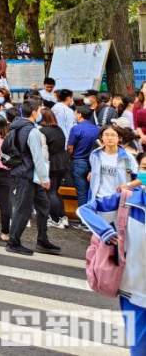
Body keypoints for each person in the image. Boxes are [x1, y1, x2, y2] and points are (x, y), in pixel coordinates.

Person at [78, 151, 146, 355]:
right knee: (140, 347)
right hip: (134, 290)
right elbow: (87, 210)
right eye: (143, 167)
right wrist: (106, 231)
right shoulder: (127, 201)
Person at [5, 99, 60, 256]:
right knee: (23, 209)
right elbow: (38, 157)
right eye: (40, 109)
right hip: (28, 175)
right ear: (35, 112)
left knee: (43, 206)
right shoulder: (33, 131)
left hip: (24, 172)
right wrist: (45, 178)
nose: (41, 112)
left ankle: (42, 239)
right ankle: (13, 242)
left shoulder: (16, 127)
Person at [39, 107, 70, 229]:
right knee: (55, 192)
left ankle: (55, 219)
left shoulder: (42, 131)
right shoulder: (59, 129)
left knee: (50, 192)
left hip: (51, 164)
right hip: (62, 163)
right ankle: (63, 217)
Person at [89, 124, 136, 203]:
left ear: (119, 138)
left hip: (120, 200)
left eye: (113, 135)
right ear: (101, 137)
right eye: (106, 135)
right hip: (98, 199)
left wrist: (127, 185)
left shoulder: (127, 157)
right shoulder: (95, 154)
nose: (109, 138)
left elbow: (143, 178)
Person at [68, 105, 100, 209]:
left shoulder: (76, 128)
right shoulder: (96, 129)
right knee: (92, 190)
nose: (75, 115)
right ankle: (91, 215)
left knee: (81, 192)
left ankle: (83, 219)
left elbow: (70, 148)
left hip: (78, 162)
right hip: (93, 163)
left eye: (76, 113)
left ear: (80, 114)